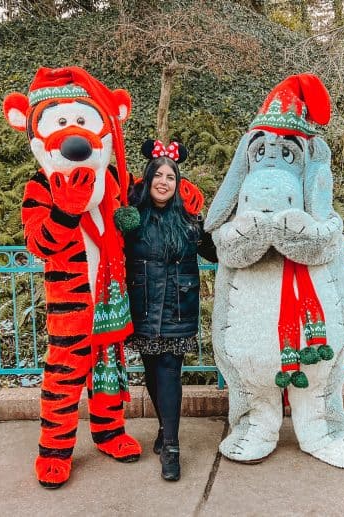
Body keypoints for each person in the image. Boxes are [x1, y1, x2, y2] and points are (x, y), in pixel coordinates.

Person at [124, 139, 217, 481]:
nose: (164, 181)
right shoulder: (131, 219)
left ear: (178, 185)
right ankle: (164, 428)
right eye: (158, 175)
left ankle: (173, 448)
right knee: (152, 373)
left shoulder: (190, 220)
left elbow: (217, 252)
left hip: (178, 309)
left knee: (168, 372)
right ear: (148, 180)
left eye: (171, 177)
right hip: (144, 308)